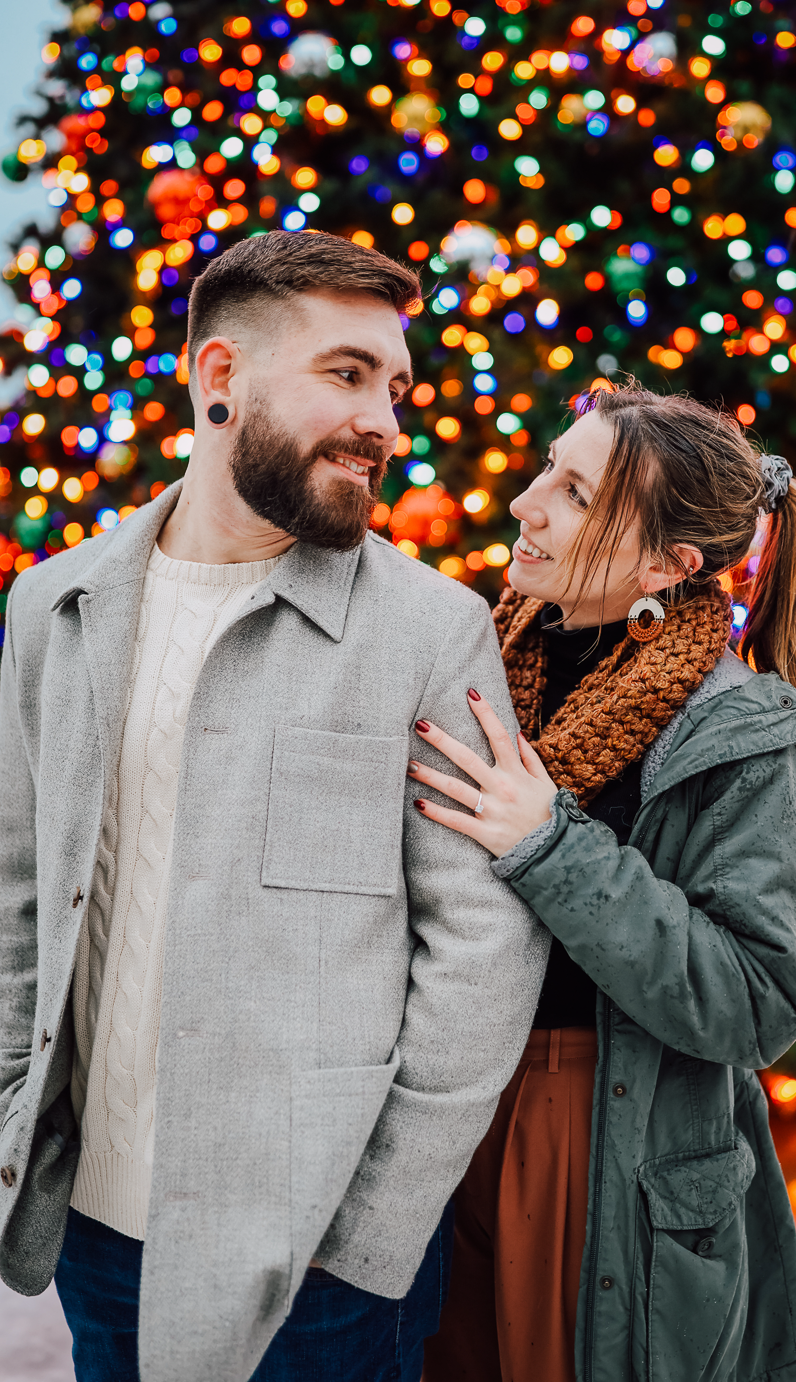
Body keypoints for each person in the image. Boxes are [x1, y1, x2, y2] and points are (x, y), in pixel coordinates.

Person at [0, 230, 549, 1382]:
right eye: (347, 374)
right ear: (218, 377)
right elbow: (19, 888)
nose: (386, 423)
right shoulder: (58, 606)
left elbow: (483, 947)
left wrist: (370, 1233)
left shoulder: (428, 629)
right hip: (99, 1227)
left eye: (396, 389)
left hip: (322, 1264)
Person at [418, 381, 796, 1382]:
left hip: (592, 1138)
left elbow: (758, 998)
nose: (527, 501)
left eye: (573, 491)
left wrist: (551, 845)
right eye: (546, 469)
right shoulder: (478, 659)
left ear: (669, 563)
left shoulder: (734, 735)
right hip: (442, 1118)